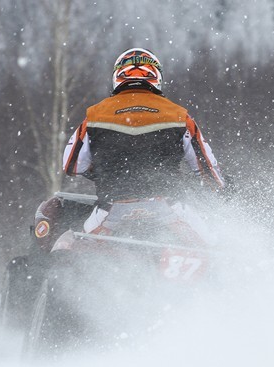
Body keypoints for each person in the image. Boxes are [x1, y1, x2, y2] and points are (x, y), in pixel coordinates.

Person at [59, 47, 226, 235]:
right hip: (169, 206)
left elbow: (71, 165)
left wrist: (102, 169)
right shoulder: (179, 115)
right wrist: (224, 191)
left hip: (111, 209)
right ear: (156, 78)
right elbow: (207, 170)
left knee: (78, 247)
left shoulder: (94, 116)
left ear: (118, 77)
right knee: (213, 245)